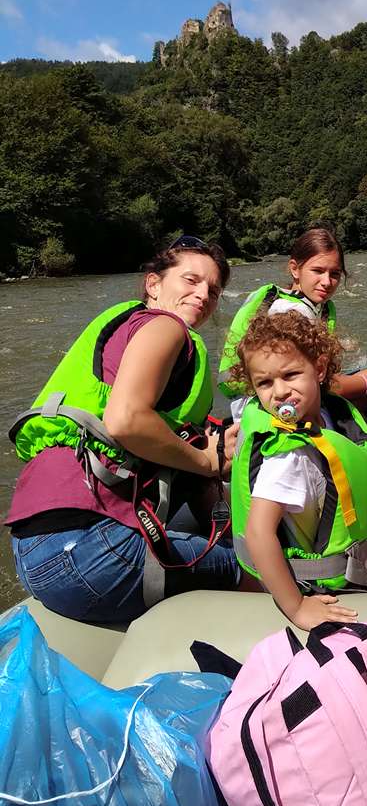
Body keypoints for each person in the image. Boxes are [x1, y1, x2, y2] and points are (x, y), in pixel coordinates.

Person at [6, 235, 242, 623]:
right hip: (90, 554)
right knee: (251, 564)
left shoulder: (125, 324)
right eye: (191, 280)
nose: (203, 295)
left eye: (213, 290)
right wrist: (207, 460)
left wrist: (205, 448)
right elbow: (126, 420)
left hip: (33, 555)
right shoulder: (166, 327)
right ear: (153, 284)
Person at [228, 310, 367, 630]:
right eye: (264, 383)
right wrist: (296, 607)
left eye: (290, 374)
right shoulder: (287, 456)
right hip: (312, 586)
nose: (279, 392)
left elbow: (325, 485)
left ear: (320, 369)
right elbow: (258, 532)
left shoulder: (326, 417)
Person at [219, 226, 367, 421]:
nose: (327, 282)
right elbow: (324, 386)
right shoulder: (289, 312)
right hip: (272, 410)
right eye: (318, 271)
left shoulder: (305, 303)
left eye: (335, 274)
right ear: (295, 269)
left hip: (283, 401)